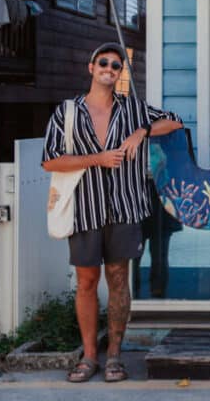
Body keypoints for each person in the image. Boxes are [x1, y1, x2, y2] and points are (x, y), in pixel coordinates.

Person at [41, 42, 183, 383]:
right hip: (84, 209)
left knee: (119, 279)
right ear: (91, 68)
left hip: (125, 207)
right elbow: (50, 160)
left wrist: (142, 131)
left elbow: (174, 123)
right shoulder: (67, 112)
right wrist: (98, 159)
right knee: (87, 281)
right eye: (103, 62)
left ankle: (115, 356)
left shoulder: (133, 109)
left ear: (120, 74)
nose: (109, 68)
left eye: (116, 65)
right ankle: (89, 356)